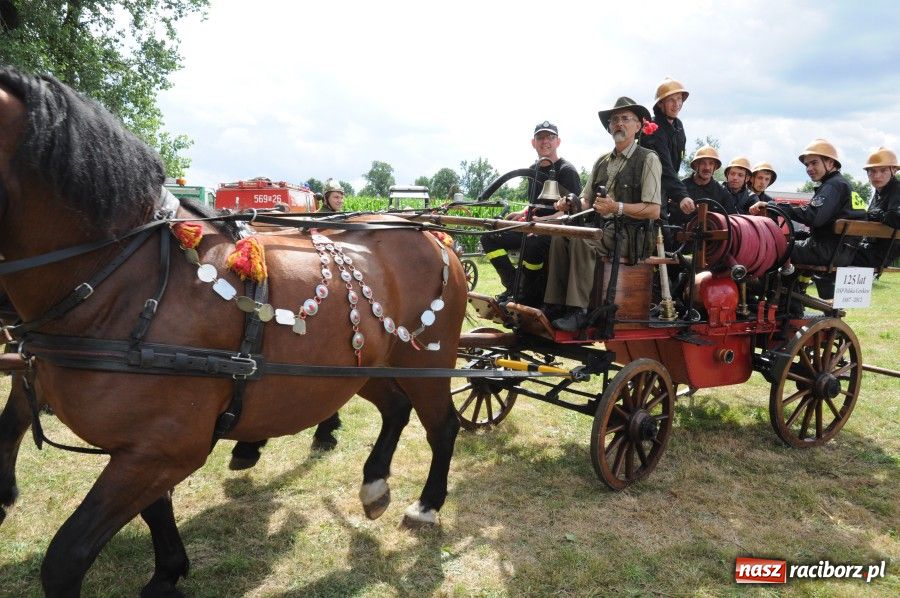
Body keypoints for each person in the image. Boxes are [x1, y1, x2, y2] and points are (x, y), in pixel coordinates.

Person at [544, 97, 662, 331]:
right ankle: (554, 305)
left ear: (638, 126)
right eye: (614, 119)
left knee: (583, 241)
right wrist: (570, 202)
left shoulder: (648, 159)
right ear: (609, 127)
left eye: (625, 119)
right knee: (560, 236)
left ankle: (579, 312)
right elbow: (586, 199)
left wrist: (616, 208)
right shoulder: (602, 161)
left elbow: (653, 210)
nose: (619, 123)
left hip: (631, 235)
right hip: (602, 231)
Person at [480, 121, 582, 306]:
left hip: (557, 232)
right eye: (540, 137)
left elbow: (574, 210)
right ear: (533, 143)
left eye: (550, 137)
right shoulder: (533, 170)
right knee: (489, 236)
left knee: (533, 243)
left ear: (558, 142)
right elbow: (536, 204)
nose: (545, 141)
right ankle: (513, 285)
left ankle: (528, 293)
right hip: (533, 226)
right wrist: (521, 212)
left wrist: (543, 220)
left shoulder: (567, 171)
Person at [749, 139, 860, 299]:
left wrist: (776, 206)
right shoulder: (837, 184)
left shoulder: (833, 186)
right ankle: (793, 296)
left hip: (828, 250)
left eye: (814, 163)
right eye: (807, 165)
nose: (809, 168)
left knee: (771, 249)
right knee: (785, 243)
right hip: (838, 249)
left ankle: (776, 300)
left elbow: (813, 216)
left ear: (830, 162)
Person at [640, 77, 692, 247]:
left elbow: (675, 166)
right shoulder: (653, 129)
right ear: (660, 104)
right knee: (662, 235)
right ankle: (662, 270)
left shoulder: (679, 126)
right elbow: (664, 167)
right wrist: (681, 195)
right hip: (650, 187)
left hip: (667, 187)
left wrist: (676, 193)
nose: (676, 104)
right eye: (671, 100)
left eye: (679, 99)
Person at [853, 147, 900, 268]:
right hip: (868, 247)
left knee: (833, 252)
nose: (877, 175)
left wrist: (877, 214)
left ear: (894, 170)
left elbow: (896, 217)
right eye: (872, 171)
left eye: (883, 170)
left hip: (880, 254)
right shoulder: (880, 192)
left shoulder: (897, 189)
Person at [681, 145, 737, 217]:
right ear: (696, 165)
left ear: (715, 167)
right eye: (703, 163)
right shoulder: (682, 187)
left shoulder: (722, 192)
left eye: (711, 163)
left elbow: (731, 219)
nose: (707, 167)